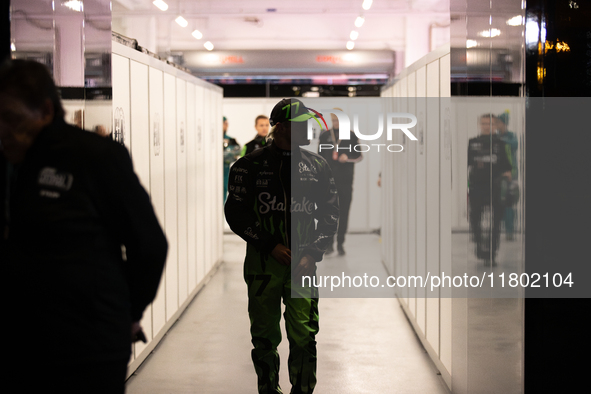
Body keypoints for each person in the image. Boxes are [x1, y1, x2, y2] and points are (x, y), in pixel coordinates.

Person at [0, 59, 168, 393]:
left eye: (12, 119)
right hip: (21, 342)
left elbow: (149, 245)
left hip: (86, 343)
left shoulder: (94, 157)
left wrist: (127, 313)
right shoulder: (11, 162)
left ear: (45, 110)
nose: (4, 131)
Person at [225, 98, 339, 394]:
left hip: (304, 266)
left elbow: (330, 214)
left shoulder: (318, 165)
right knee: (264, 336)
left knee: (304, 335)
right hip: (263, 265)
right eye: (303, 125)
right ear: (284, 128)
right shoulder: (248, 165)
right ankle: (268, 390)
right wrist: (269, 245)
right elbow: (235, 213)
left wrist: (313, 253)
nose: (309, 130)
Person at [467, 114, 512, 266]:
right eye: (484, 123)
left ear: (495, 126)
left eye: (491, 124)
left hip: (496, 188)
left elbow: (507, 168)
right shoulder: (472, 143)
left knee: (495, 222)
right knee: (475, 220)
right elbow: (466, 165)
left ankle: (491, 253)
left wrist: (508, 181)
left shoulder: (502, 144)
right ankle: (480, 246)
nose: (487, 126)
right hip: (476, 188)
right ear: (480, 124)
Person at [317, 108, 363, 255]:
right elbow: (319, 158)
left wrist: (347, 158)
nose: (336, 123)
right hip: (328, 183)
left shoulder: (350, 135)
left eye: (338, 120)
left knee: (344, 212)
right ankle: (329, 244)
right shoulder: (325, 135)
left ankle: (341, 243)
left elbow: (359, 156)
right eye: (334, 120)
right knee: (328, 213)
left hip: (345, 181)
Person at [494, 111, 519, 240]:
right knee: (500, 202)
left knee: (509, 202)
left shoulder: (511, 136)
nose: (496, 125)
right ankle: (503, 228)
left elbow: (514, 144)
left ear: (504, 124)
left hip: (511, 173)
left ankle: (510, 230)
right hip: (499, 174)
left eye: (498, 122)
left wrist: (500, 140)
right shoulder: (496, 137)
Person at [223, 116, 241, 201]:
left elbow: (237, 152)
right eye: (224, 123)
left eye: (227, 123)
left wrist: (226, 154)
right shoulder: (211, 139)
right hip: (212, 170)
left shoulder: (230, 140)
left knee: (224, 190)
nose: (227, 125)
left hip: (225, 170)